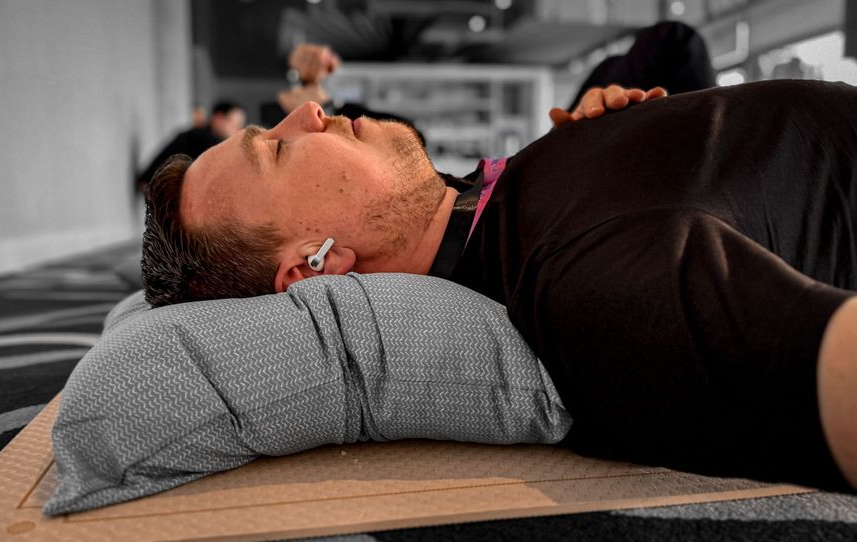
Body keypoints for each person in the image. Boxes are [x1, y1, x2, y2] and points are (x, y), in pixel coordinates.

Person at [138, 35, 857, 493]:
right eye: (277, 148)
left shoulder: (472, 208)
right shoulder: (583, 286)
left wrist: (633, 135)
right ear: (312, 265)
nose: (310, 115)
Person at [135, 101, 246, 191]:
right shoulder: (207, 139)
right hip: (155, 186)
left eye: (239, 126)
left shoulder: (200, 134)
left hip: (151, 182)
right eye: (234, 124)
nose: (237, 130)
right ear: (218, 118)